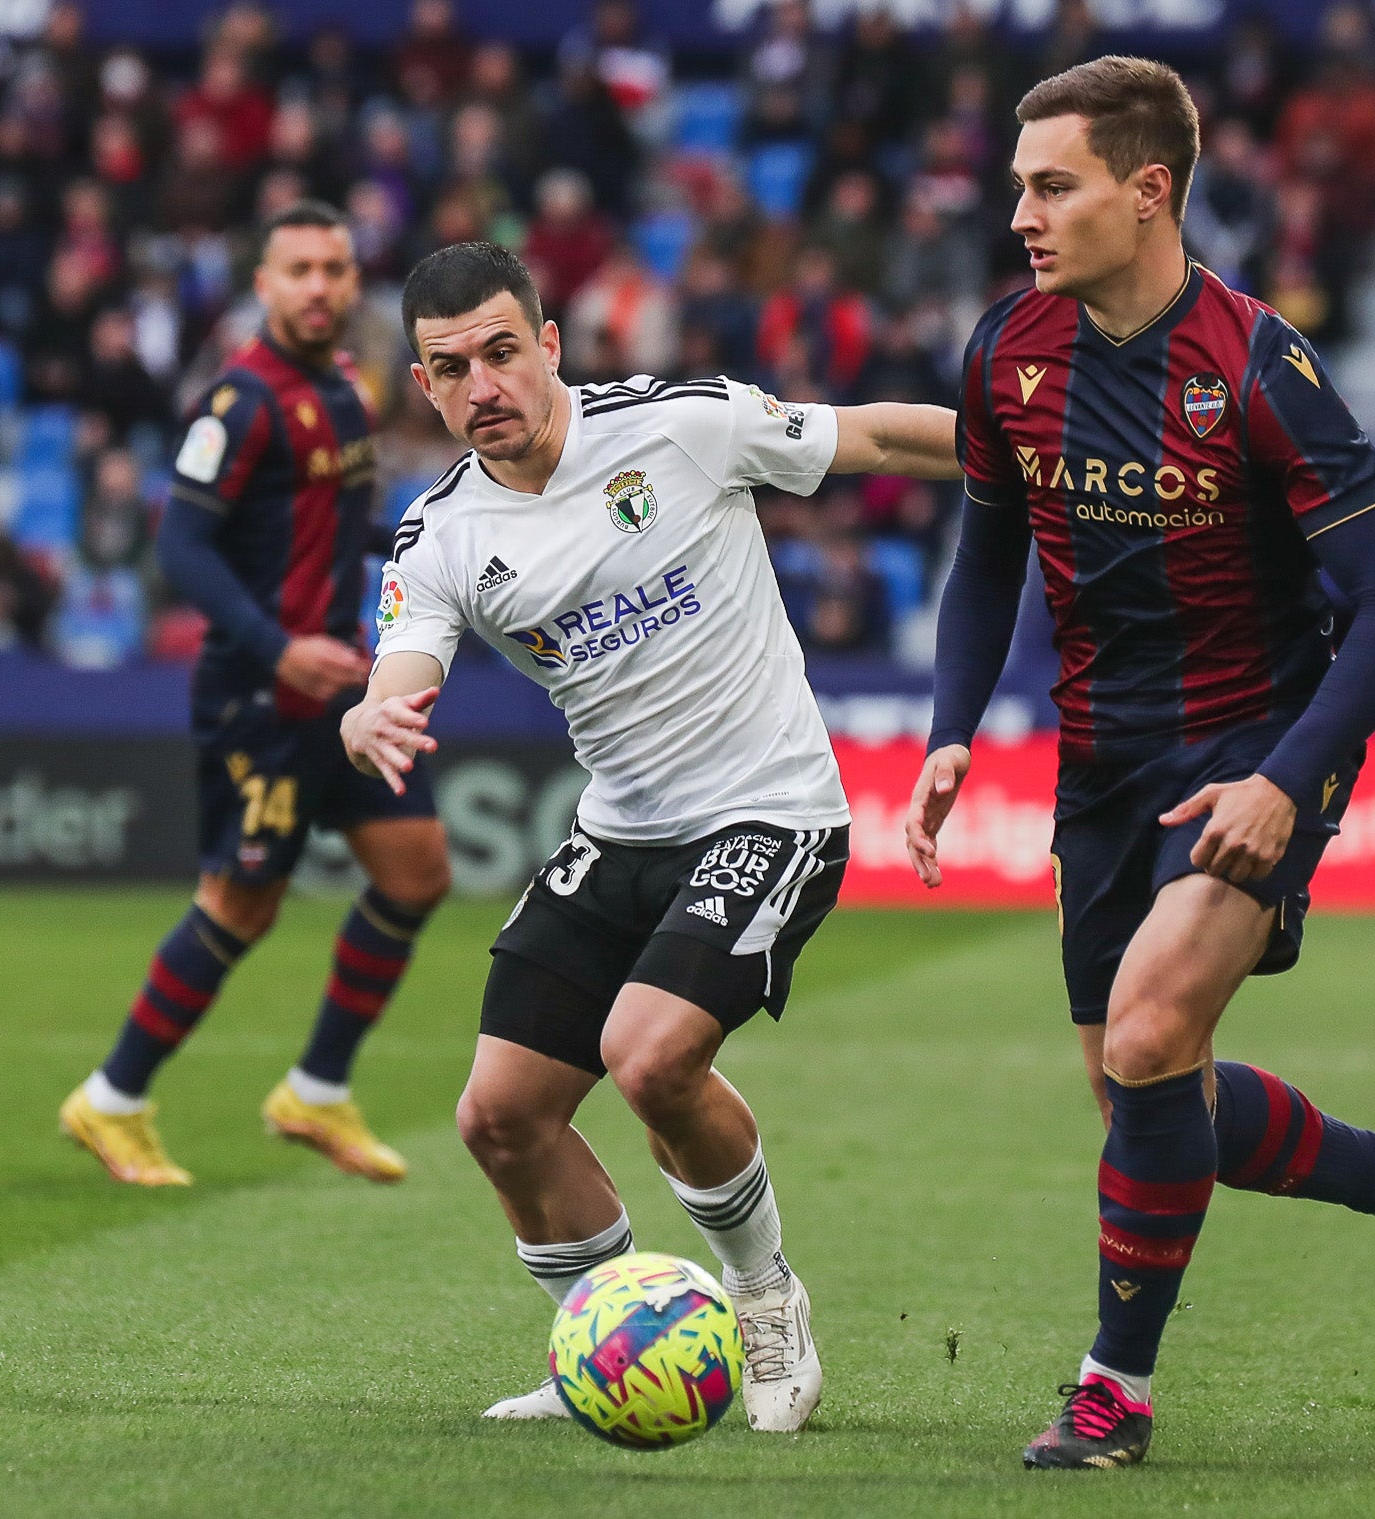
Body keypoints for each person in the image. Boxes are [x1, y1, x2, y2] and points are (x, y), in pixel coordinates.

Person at [900, 58, 1375, 1472]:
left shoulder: (1257, 366)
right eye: (1018, 189)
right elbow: (989, 553)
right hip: (1101, 760)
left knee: (1153, 1033)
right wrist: (947, 727)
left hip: (1248, 748)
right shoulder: (1007, 349)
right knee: (1143, 1094)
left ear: (1147, 189)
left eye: (1054, 187)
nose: (1024, 217)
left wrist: (1289, 776)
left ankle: (1113, 1390)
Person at [342, 241, 958, 1433]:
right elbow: (404, 659)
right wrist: (375, 706)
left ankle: (766, 1298)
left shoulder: (686, 424)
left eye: (503, 353)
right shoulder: (442, 532)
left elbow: (873, 438)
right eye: (451, 368)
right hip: (621, 830)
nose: (484, 388)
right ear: (423, 385)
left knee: (650, 1054)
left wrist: (1049, 447)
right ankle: (604, 1349)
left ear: (551, 345)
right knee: (498, 1115)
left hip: (770, 807)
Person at [59, 202, 451, 1188]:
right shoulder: (238, 403)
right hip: (261, 697)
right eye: (299, 269)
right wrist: (276, 649)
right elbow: (181, 545)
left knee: (416, 870)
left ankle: (315, 1091)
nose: (320, 285)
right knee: (240, 905)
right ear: (264, 285)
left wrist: (433, 550)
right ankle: (111, 1101)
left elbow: (337, 529)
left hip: (345, 691)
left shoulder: (346, 391)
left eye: (335, 267)